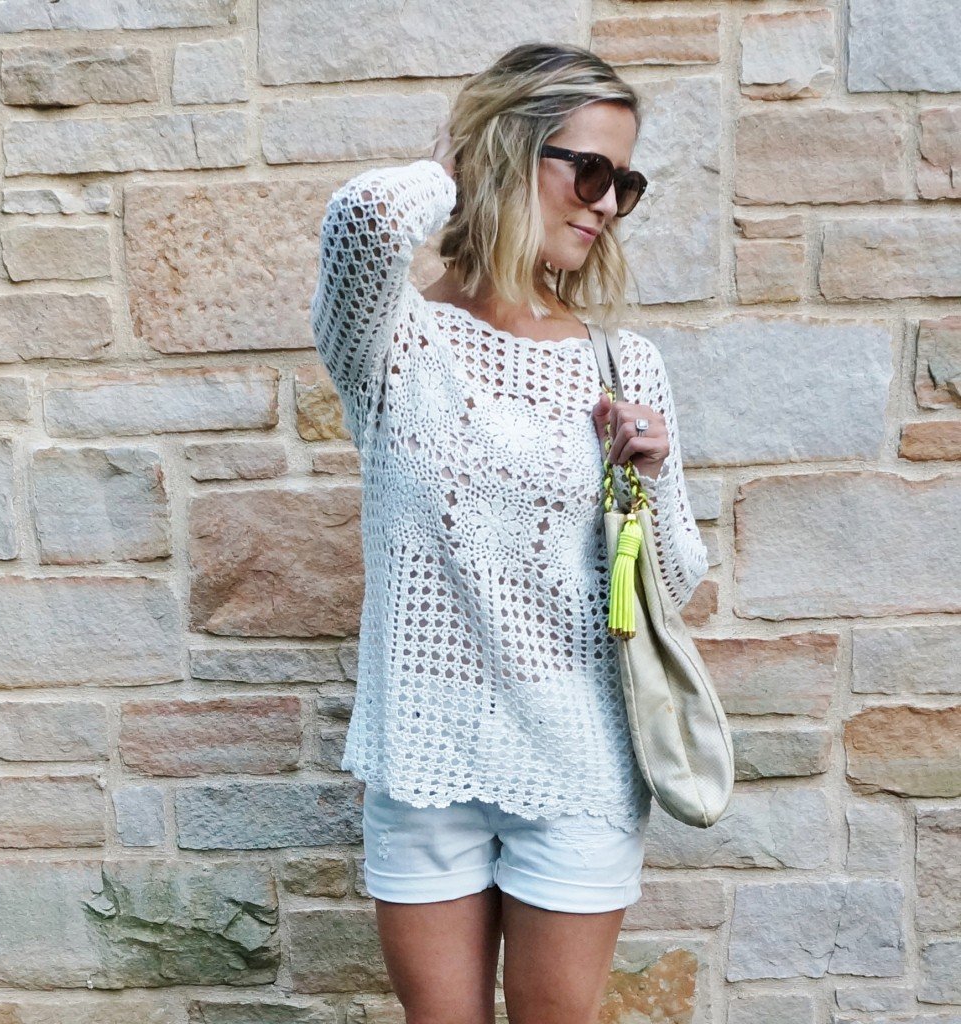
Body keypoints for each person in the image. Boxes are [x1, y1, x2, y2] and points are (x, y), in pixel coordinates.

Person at [310, 41, 709, 1024]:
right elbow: (362, 220)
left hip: (579, 762)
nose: (608, 202)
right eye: (589, 169)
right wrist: (457, 168)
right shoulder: (396, 342)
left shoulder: (623, 362)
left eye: (627, 182)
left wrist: (648, 483)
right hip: (424, 757)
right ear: (508, 155)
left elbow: (676, 580)